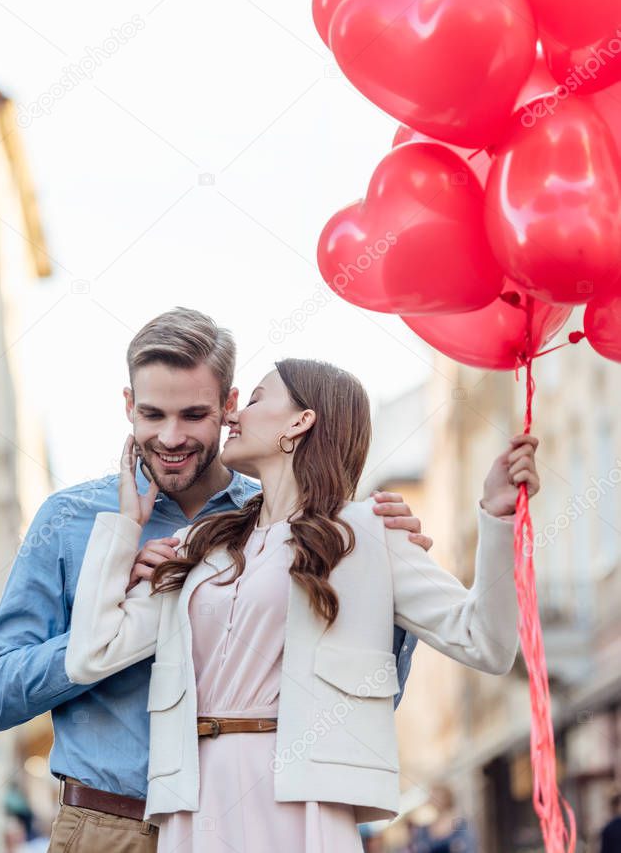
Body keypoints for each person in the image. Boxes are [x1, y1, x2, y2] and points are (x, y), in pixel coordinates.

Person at [0, 309, 430, 853]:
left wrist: (393, 583)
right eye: (152, 414)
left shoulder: (289, 523)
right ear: (128, 407)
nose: (170, 437)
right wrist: (111, 617)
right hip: (106, 827)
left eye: (193, 414)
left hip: (248, 826)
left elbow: (368, 699)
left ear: (231, 408)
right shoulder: (70, 521)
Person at [66, 357, 539, 852]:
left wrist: (498, 519)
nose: (233, 415)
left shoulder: (366, 534)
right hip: (194, 797)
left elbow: (486, 642)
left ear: (300, 421)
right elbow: (90, 656)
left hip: (303, 796)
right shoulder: (198, 546)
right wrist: (125, 528)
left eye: (254, 399)